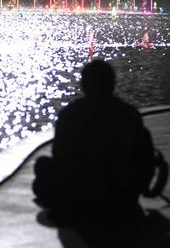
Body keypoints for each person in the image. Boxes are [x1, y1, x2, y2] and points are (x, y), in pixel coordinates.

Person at [34, 59, 155, 216]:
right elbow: (145, 156)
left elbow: (60, 155)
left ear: (84, 84)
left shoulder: (70, 114)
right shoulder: (129, 113)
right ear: (112, 84)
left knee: (42, 166)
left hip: (79, 192)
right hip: (122, 192)